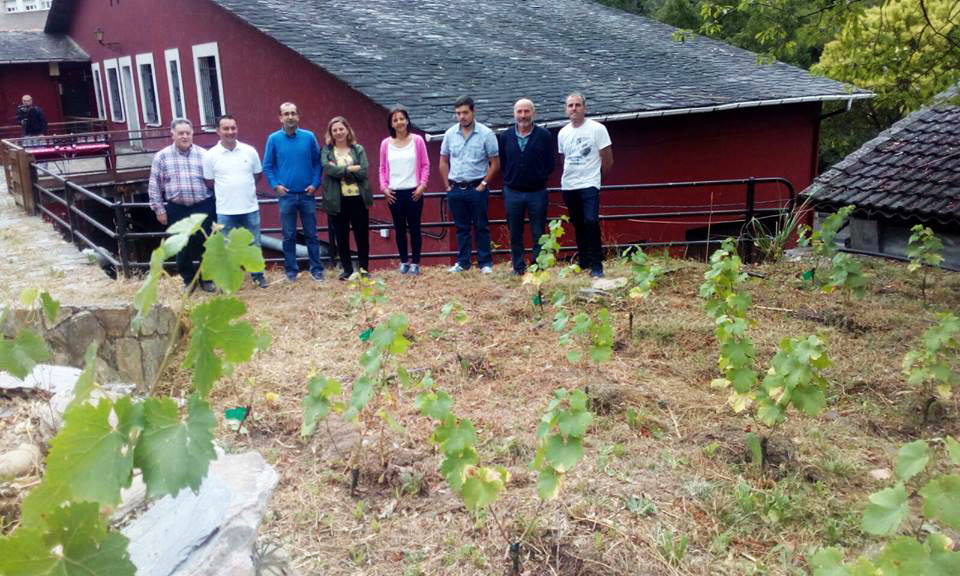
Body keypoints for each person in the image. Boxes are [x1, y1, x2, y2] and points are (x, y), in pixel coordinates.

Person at [147, 118, 216, 292]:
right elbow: (154, 185)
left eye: (188, 133)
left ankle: (206, 279)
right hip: (177, 208)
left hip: (202, 206)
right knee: (181, 246)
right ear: (173, 135)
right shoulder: (162, 156)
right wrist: (159, 210)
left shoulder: (204, 155)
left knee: (205, 243)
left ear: (192, 134)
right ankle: (188, 281)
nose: (185, 136)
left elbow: (214, 181)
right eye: (180, 133)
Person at [202, 114, 267, 288]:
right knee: (226, 247)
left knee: (254, 243)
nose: (230, 132)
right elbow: (209, 181)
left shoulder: (249, 151)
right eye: (226, 128)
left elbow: (257, 175)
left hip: (249, 206)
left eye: (233, 128)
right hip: (225, 210)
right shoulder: (210, 156)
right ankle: (228, 280)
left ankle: (258, 276)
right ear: (218, 131)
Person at [263, 102, 325, 282]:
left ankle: (317, 269)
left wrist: (315, 183)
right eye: (286, 114)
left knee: (311, 234)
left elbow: (317, 162)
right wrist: (276, 186)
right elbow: (268, 165)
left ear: (298, 116)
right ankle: (291, 271)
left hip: (307, 195)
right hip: (286, 196)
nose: (290, 117)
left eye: (293, 113)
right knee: (288, 235)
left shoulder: (309, 137)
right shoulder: (273, 139)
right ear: (280, 118)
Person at [439, 96, 499, 273]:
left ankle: (485, 263)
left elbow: (495, 163)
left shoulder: (486, 134)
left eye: (465, 112)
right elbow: (443, 161)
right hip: (456, 187)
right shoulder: (450, 134)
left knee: (481, 225)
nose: (462, 117)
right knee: (461, 227)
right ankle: (463, 262)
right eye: (458, 113)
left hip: (477, 187)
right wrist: (447, 186)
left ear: (473, 111)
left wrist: (483, 184)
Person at [557, 92, 613, 278]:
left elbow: (608, 159)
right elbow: (563, 158)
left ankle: (597, 265)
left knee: (591, 221)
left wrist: (597, 179)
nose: (574, 109)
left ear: (584, 108)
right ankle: (584, 261)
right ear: (566, 109)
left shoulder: (597, 129)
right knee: (578, 224)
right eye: (570, 105)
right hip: (569, 185)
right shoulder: (563, 133)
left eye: (577, 105)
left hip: (589, 183)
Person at [498, 98, 555, 275]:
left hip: (537, 192)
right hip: (513, 192)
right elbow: (503, 161)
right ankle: (518, 267)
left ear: (534, 113)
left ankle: (538, 267)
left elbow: (551, 163)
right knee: (515, 232)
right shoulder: (505, 136)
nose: (523, 115)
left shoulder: (544, 135)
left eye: (526, 111)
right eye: (519, 112)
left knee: (538, 232)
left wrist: (538, 176)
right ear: (514, 114)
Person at [379, 105, 429, 275]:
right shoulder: (386, 144)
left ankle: (416, 263)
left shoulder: (418, 141)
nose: (399, 122)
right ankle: (403, 262)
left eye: (402, 119)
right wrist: (384, 188)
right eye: (395, 120)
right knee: (399, 229)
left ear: (407, 120)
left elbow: (425, 165)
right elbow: (382, 169)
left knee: (415, 228)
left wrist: (422, 185)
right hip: (394, 193)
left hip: (414, 192)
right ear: (391, 124)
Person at [321, 116, 372, 280]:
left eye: (341, 129)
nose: (338, 132)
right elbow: (329, 170)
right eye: (334, 130)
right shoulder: (327, 151)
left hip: (358, 199)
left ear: (347, 130)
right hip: (337, 199)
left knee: (361, 236)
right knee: (341, 236)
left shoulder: (358, 149)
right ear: (330, 133)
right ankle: (348, 270)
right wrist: (351, 169)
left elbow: (364, 171)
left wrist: (340, 170)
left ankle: (364, 269)